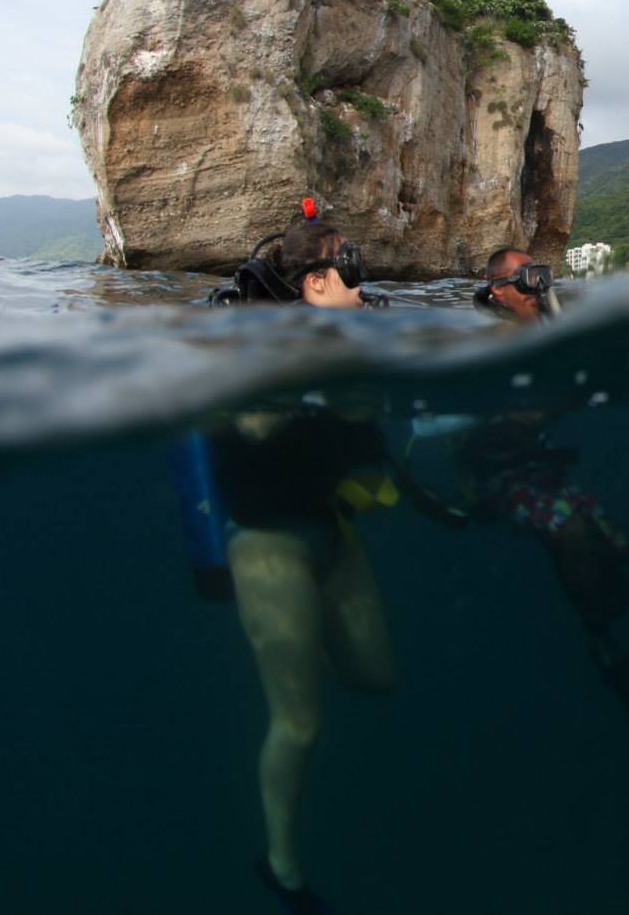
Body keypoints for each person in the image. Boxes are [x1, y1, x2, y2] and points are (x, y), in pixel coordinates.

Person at [398, 248, 629, 787]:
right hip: (502, 477)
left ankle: (604, 629)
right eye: (527, 279)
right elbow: (429, 424)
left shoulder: (551, 323)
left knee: (621, 551)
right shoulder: (484, 340)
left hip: (540, 469)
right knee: (574, 534)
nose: (540, 286)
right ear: (498, 291)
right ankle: (603, 648)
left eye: (541, 275)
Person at [203, 214, 398, 915]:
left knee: (378, 677)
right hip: (266, 539)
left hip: (329, 531)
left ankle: (304, 647)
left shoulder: (351, 338)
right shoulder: (258, 352)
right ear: (315, 282)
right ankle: (281, 868)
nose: (364, 280)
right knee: (301, 722)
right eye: (353, 268)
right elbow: (249, 424)